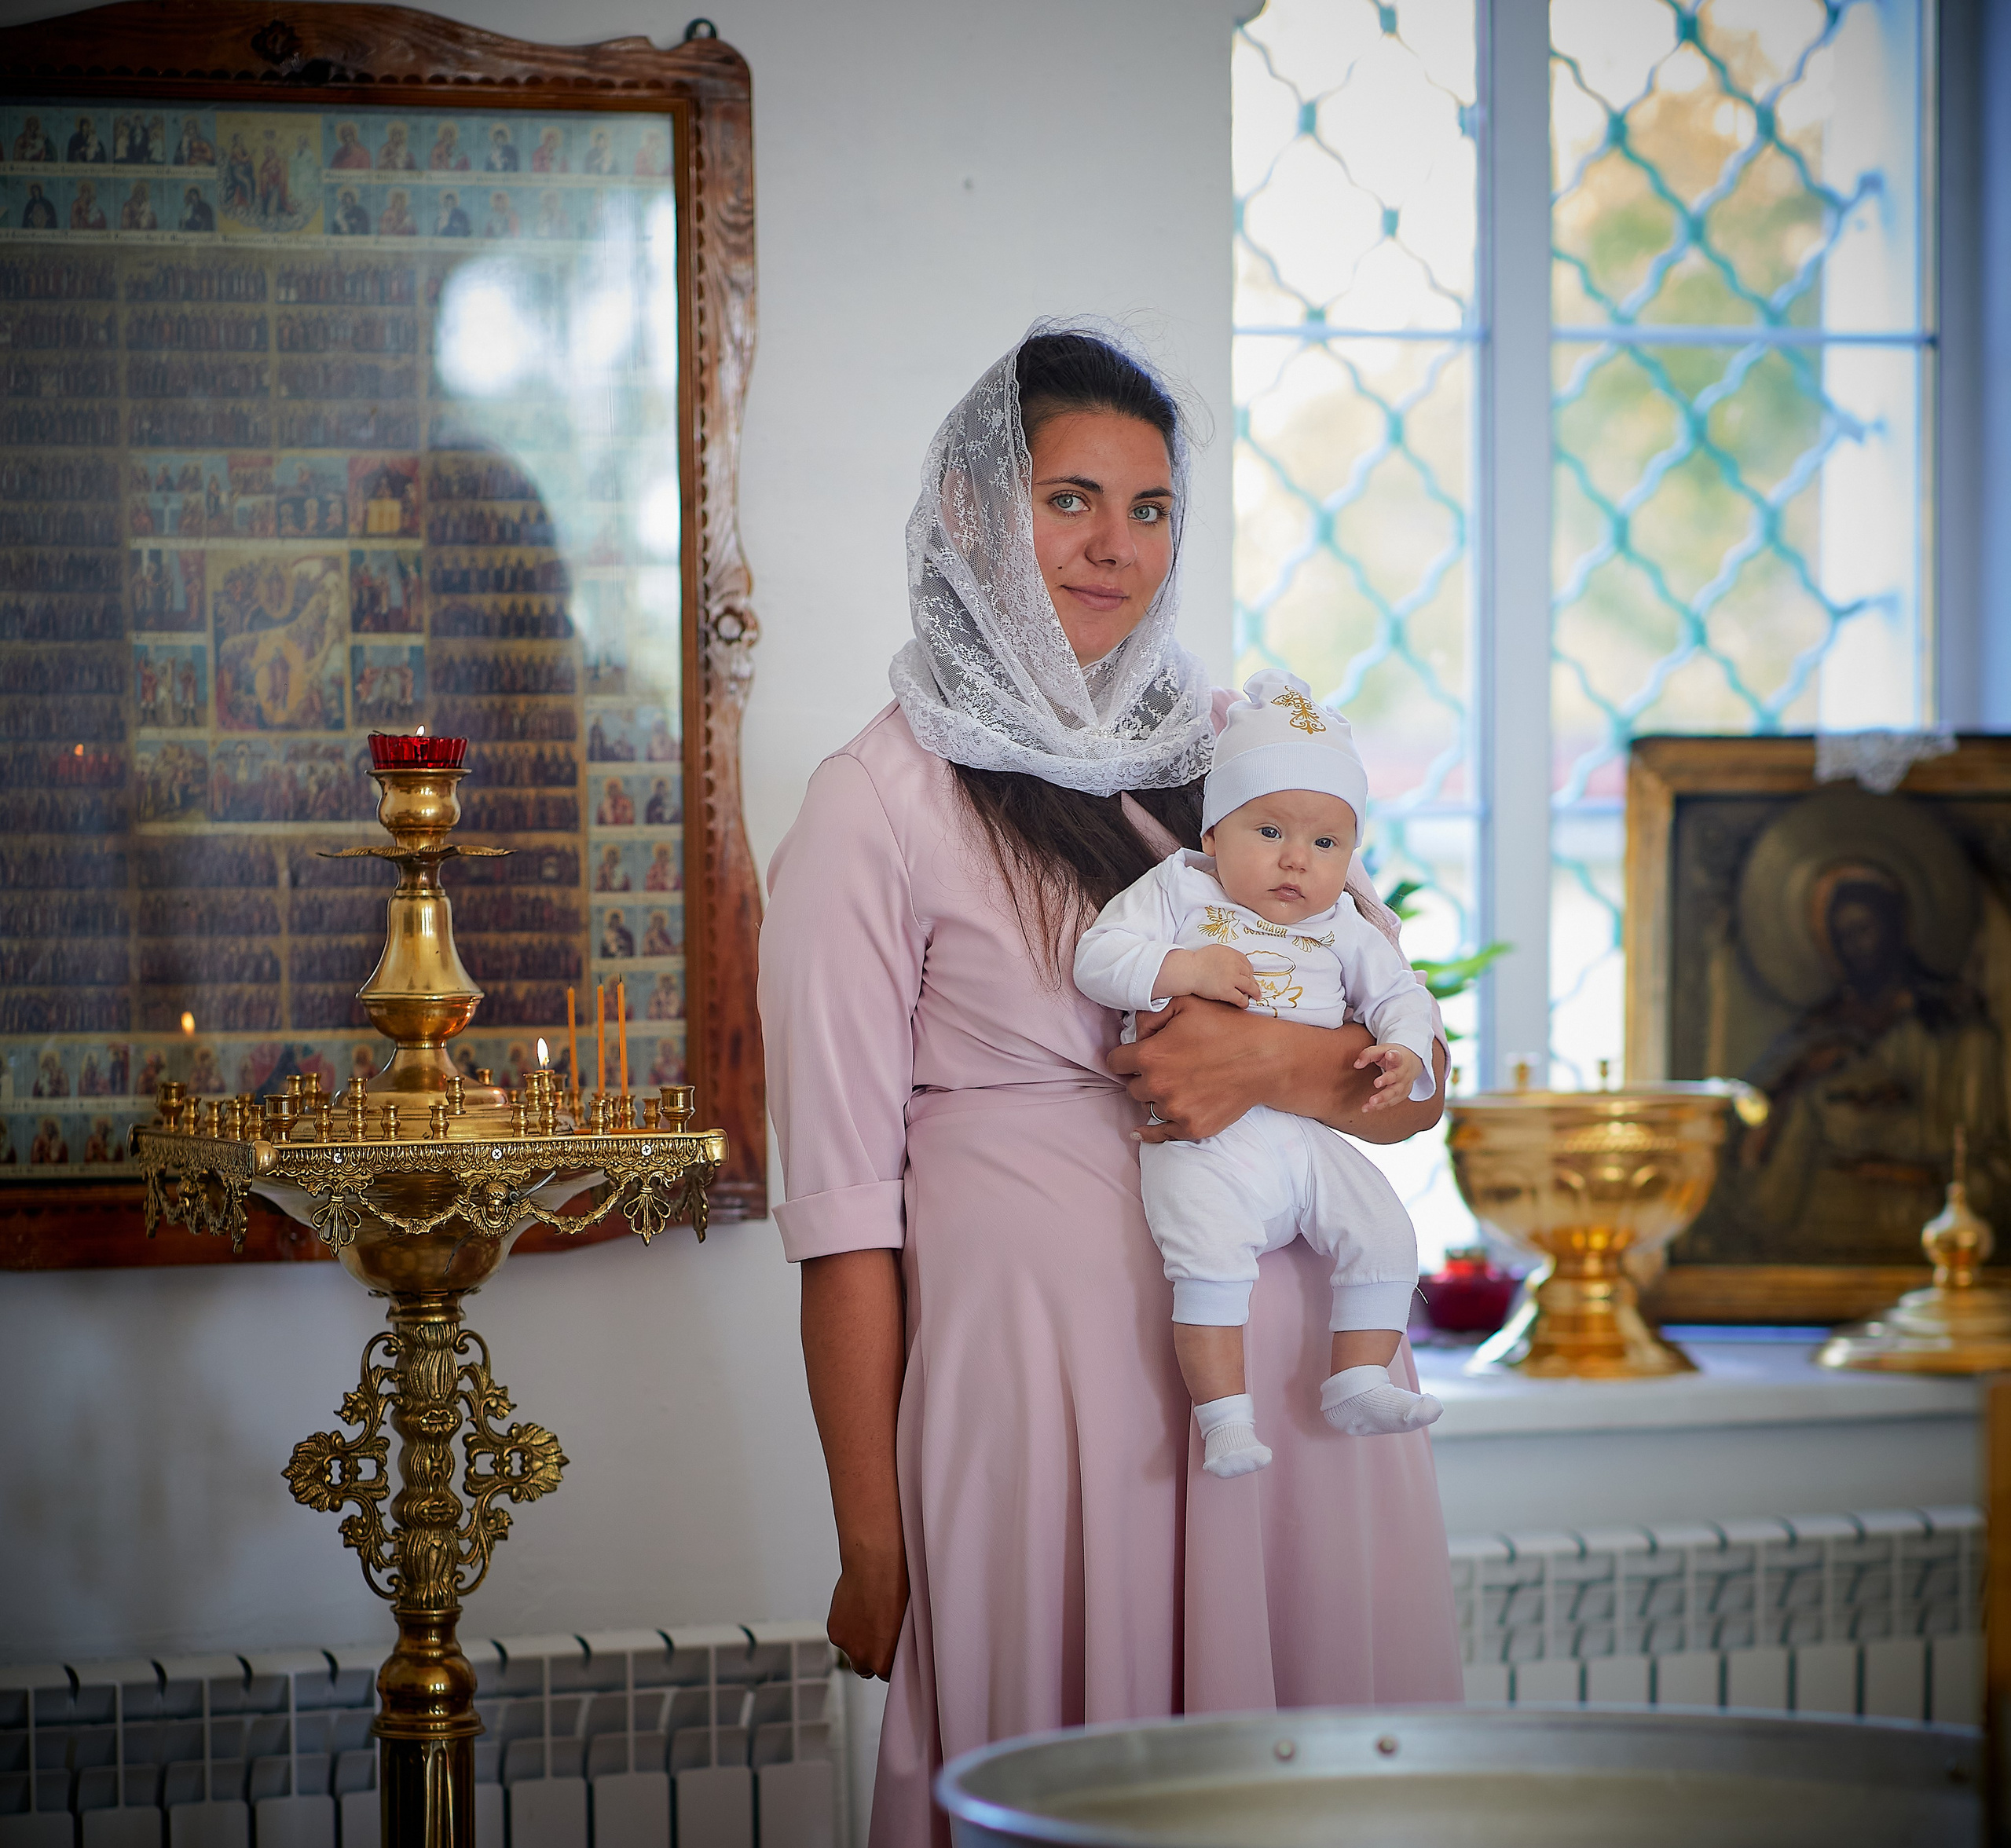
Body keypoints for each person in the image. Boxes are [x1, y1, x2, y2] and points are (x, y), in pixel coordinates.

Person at [760, 322, 1460, 1848]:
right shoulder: (876, 802)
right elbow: (842, 1221)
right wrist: (870, 1542)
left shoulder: (1235, 756)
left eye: (1149, 509)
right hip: (1059, 1424)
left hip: (1299, 1417)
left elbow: (1413, 1089)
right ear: (970, 510)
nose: (1112, 546)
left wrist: (1277, 1060)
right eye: (1067, 498)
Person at [1074, 669, 1441, 1479]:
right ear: (1213, 835)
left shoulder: (1342, 922)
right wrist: (1186, 968)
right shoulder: (1179, 890)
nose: (1296, 861)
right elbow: (1097, 958)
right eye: (1269, 831)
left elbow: (1401, 996)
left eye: (1325, 845)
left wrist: (1405, 1048)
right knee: (1207, 1263)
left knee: (1384, 1229)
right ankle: (1225, 1419)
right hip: (1203, 1142)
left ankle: (1358, 1379)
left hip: (1303, 1136)